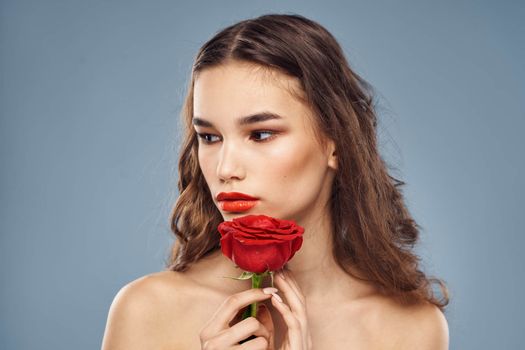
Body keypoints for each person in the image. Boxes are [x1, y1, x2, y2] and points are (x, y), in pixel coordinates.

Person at [101, 13, 450, 349]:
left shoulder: (410, 327)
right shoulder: (147, 311)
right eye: (209, 137)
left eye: (261, 134)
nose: (225, 168)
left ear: (336, 142)